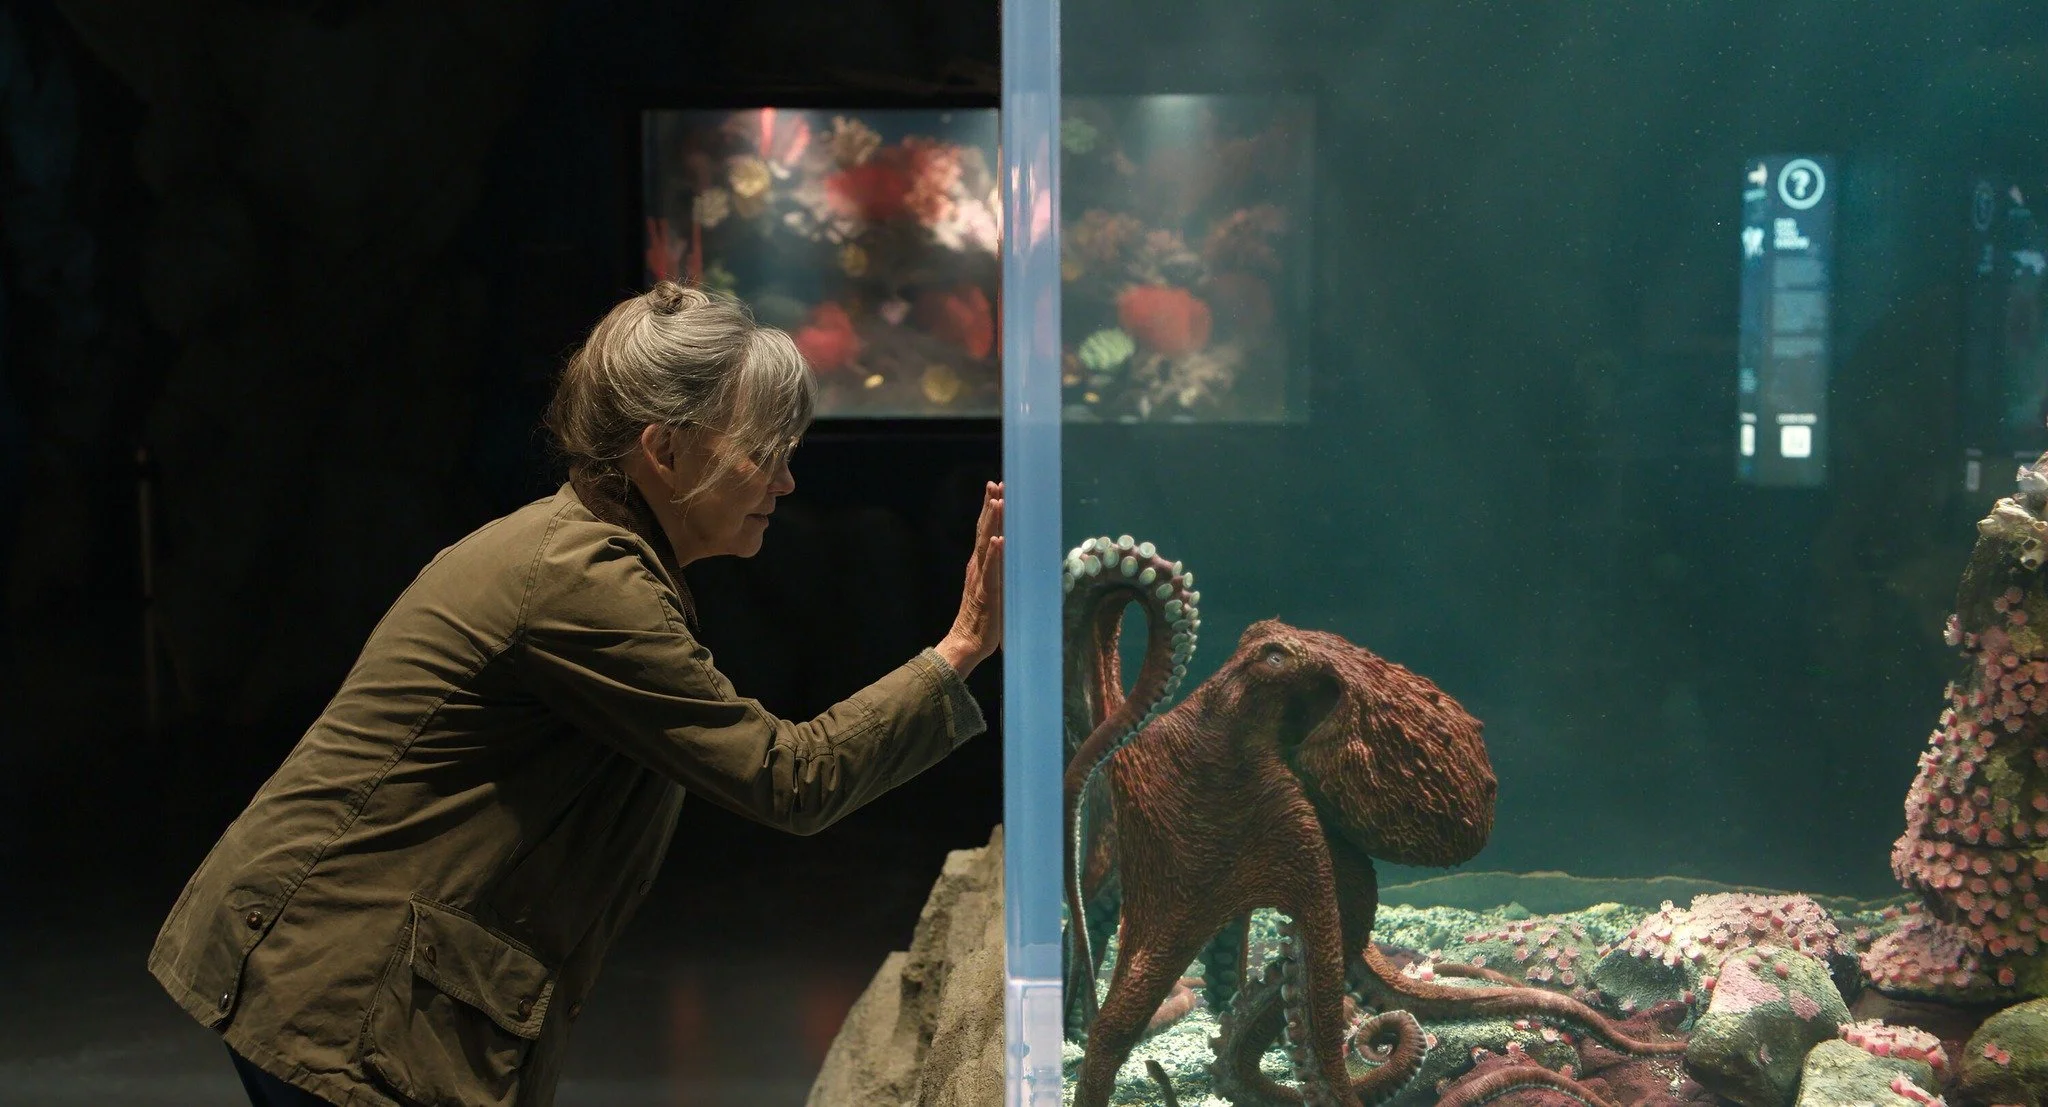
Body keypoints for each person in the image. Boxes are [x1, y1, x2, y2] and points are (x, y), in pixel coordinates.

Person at [145, 281, 1003, 1107]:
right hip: (338, 983)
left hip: (324, 966)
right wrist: (960, 646)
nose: (784, 482)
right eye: (762, 451)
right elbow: (789, 777)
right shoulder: (582, 579)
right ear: (664, 449)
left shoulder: (585, 550)